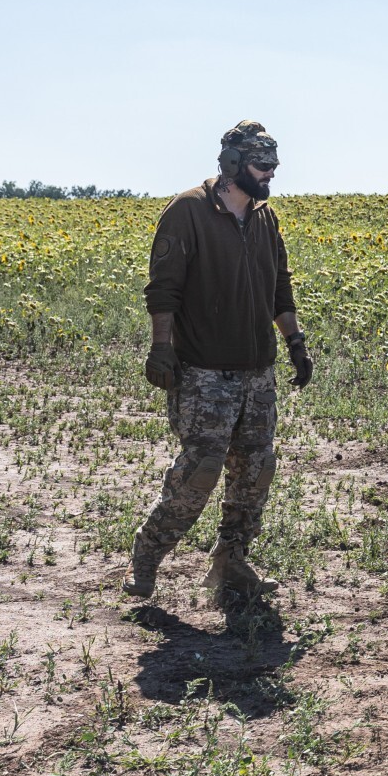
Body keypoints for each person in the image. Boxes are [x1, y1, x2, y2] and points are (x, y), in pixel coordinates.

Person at [125, 120, 314, 606]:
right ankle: (146, 557)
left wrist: (295, 343)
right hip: (205, 372)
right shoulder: (188, 211)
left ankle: (231, 562)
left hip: (257, 373)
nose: (271, 172)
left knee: (256, 470)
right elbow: (163, 290)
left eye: (273, 163)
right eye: (261, 164)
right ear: (233, 164)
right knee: (200, 469)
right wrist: (161, 347)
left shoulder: (266, 218)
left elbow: (280, 288)